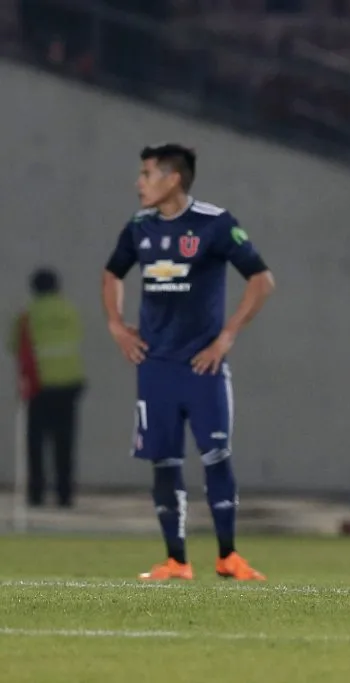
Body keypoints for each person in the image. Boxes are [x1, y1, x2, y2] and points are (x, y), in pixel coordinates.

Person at [102, 143, 275, 581]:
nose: (138, 183)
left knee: (216, 454)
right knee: (164, 461)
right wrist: (117, 325)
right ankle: (176, 560)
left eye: (146, 174)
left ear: (172, 178)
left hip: (203, 365)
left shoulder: (215, 224)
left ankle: (228, 556)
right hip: (156, 365)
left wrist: (227, 337)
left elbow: (261, 279)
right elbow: (112, 273)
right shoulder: (139, 227)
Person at [8, 268, 85, 508]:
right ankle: (65, 495)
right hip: (70, 383)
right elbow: (77, 336)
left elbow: (14, 346)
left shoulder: (27, 316)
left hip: (39, 386)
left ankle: (36, 494)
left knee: (36, 443)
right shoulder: (69, 311)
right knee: (65, 442)